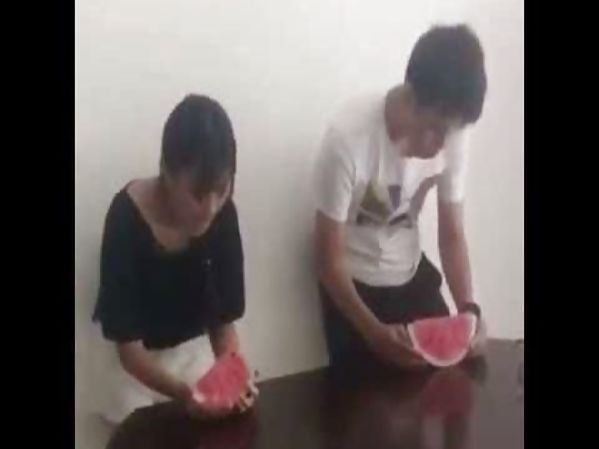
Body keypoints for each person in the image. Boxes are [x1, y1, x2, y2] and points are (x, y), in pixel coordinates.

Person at [314, 25, 488, 373]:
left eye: (452, 131)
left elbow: (452, 234)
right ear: (411, 98)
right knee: (364, 401)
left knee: (458, 380)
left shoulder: (453, 136)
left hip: (411, 274)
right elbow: (327, 261)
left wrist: (470, 310)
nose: (443, 144)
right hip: (352, 287)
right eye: (436, 128)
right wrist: (373, 332)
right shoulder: (347, 140)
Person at [93, 94, 256, 424]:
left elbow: (223, 323)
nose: (210, 208)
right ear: (166, 171)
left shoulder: (224, 215)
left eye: (221, 190)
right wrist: (187, 395)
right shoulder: (125, 218)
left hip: (194, 355)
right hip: (136, 369)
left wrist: (230, 375)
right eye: (197, 194)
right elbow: (129, 352)